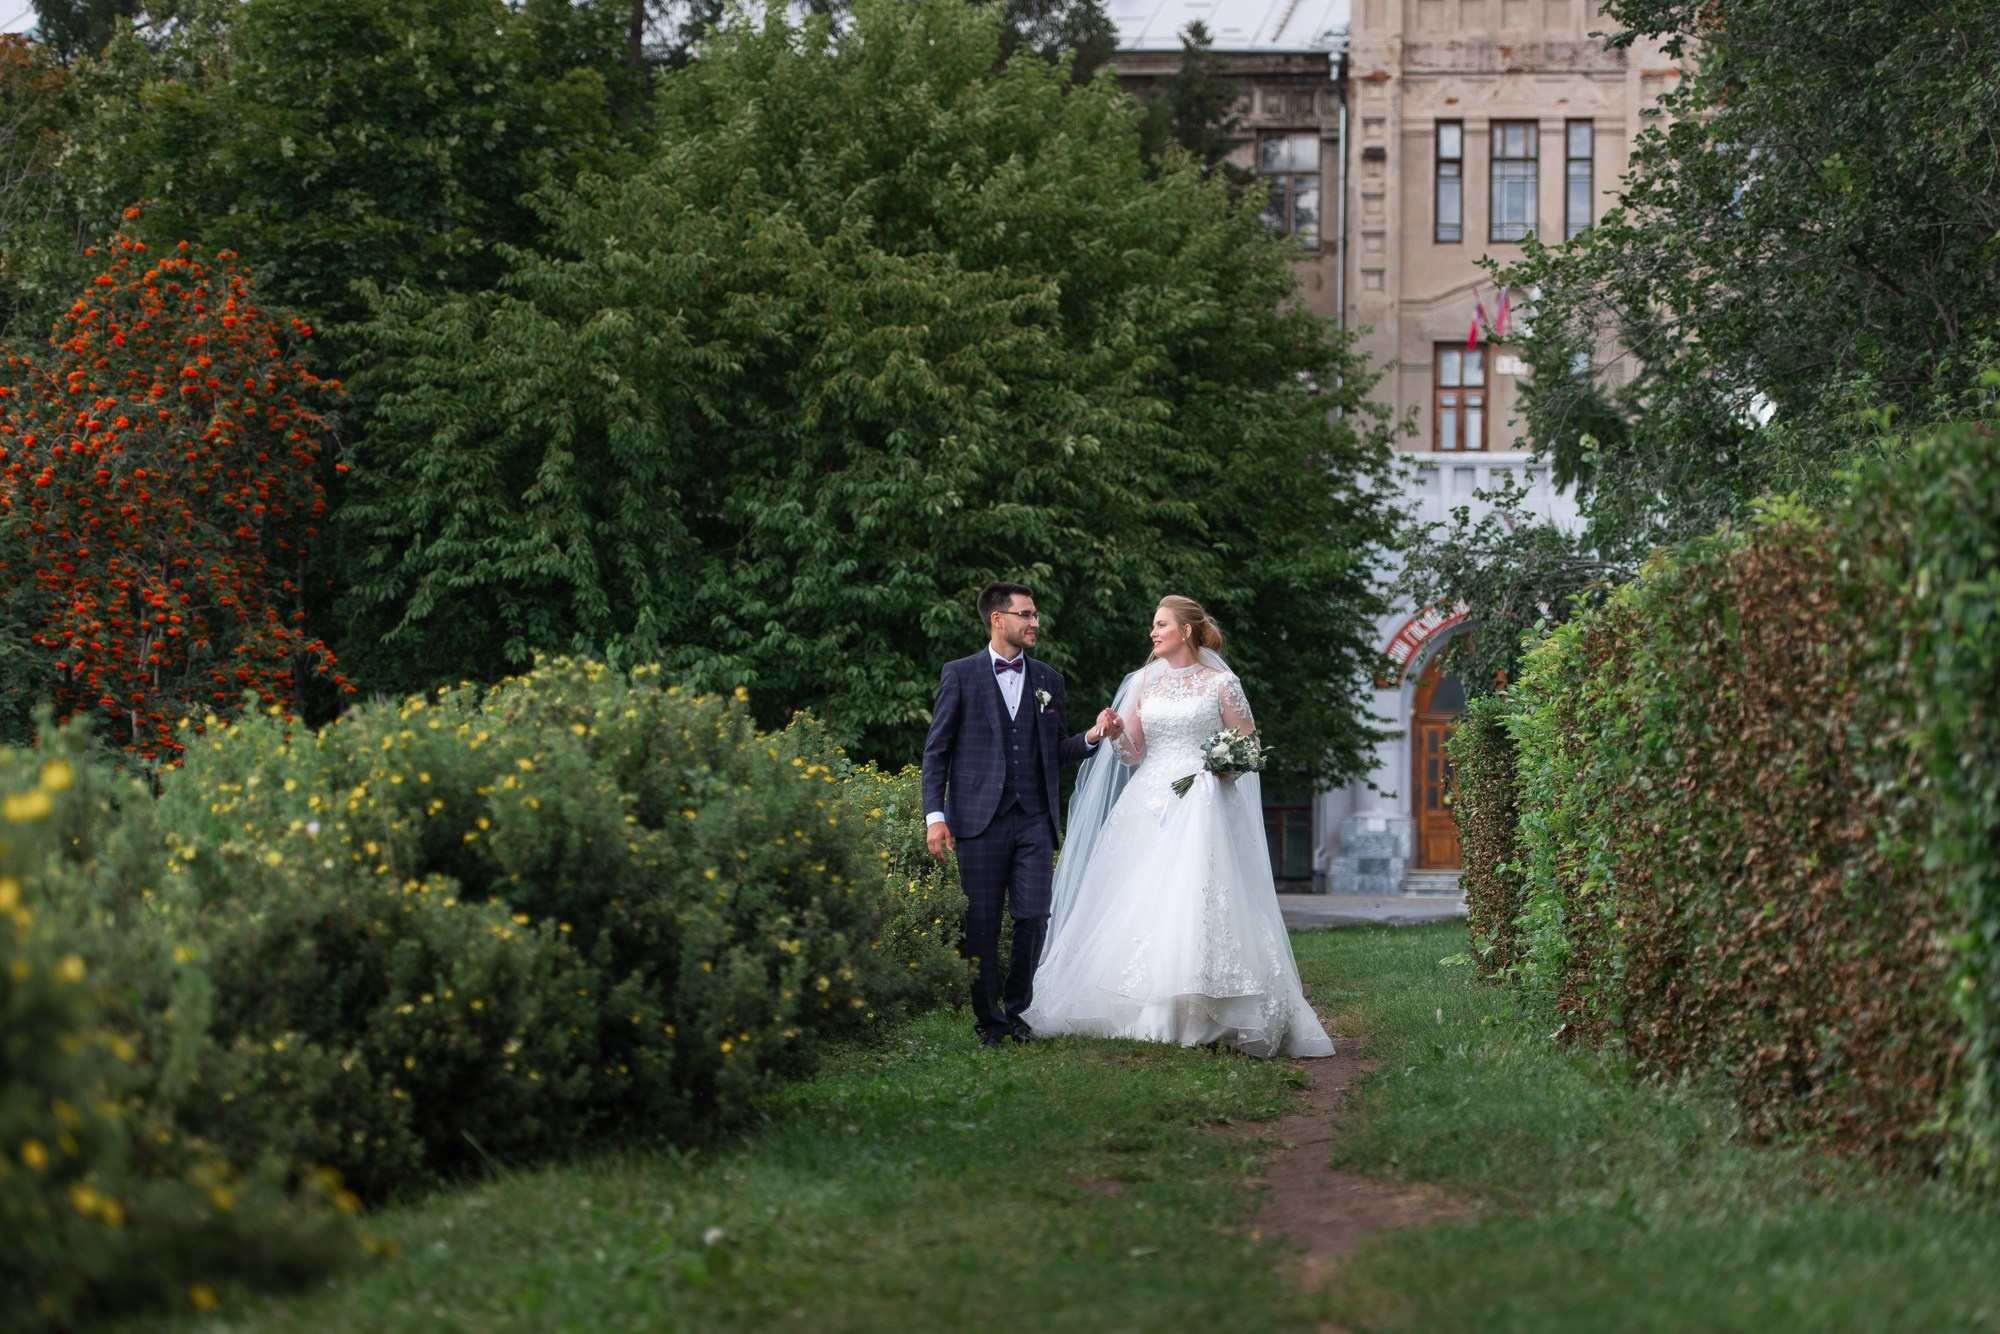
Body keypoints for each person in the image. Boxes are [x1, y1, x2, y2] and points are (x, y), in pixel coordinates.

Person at [1019, 596, 1334, 1057]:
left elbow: (1249, 746)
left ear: (1186, 631)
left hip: (1204, 804)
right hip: (1148, 801)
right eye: (1153, 625)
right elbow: (1132, 753)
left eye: (1161, 624)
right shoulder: (1144, 681)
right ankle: (1145, 1007)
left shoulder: (1222, 684)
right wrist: (1113, 732)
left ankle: (1210, 1008)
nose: (1153, 632)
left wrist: (1223, 767)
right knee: (1139, 897)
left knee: (1201, 894)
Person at [922, 582, 1121, 1049]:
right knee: (982, 925)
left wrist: (1093, 735)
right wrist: (935, 816)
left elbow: (1055, 750)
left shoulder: (1049, 680)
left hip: (1033, 817)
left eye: (1035, 615)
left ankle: (1017, 1011)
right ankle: (989, 1024)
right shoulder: (960, 674)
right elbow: (937, 752)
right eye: (1026, 615)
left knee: (1034, 916)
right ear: (998, 619)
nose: (1035, 623)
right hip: (976, 820)